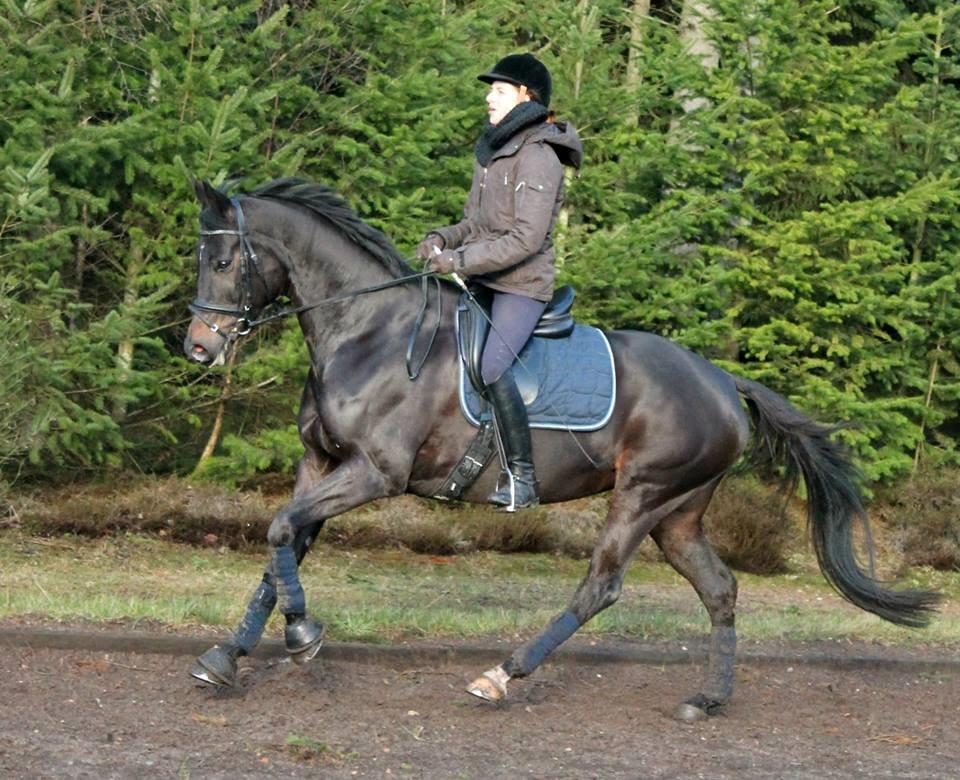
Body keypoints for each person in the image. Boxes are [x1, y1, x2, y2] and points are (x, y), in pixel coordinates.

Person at [417, 53, 583, 510]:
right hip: (485, 278)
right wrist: (441, 239)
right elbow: (474, 222)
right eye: (490, 90)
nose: (488, 98)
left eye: (499, 90)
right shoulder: (493, 150)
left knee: (491, 367)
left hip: (521, 286)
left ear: (526, 98)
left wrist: (459, 260)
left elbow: (525, 239)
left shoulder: (540, 156)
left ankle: (522, 478)